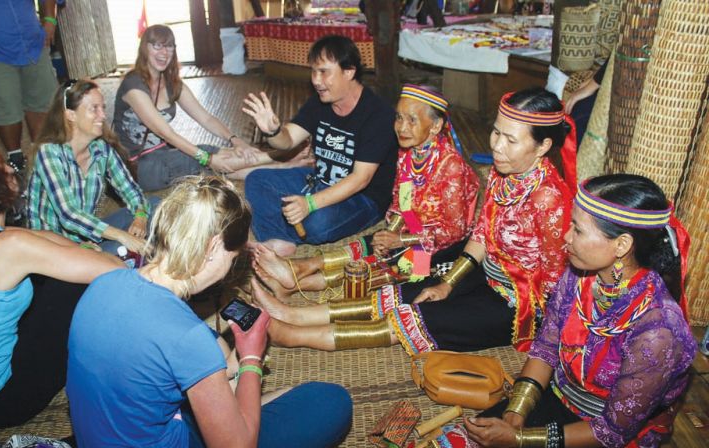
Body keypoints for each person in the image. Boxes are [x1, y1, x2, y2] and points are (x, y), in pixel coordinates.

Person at [243, 173, 696, 448]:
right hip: (557, 399)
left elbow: (613, 430)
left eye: (578, 230)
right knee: (455, 447)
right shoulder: (580, 280)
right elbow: (544, 348)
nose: (567, 238)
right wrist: (516, 416)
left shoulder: (659, 331)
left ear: (621, 246)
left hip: (606, 445)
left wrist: (519, 440)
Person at [66, 175, 352, 448]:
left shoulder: (105, 282)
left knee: (271, 393)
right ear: (214, 247)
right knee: (328, 403)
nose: (233, 266)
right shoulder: (187, 337)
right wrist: (250, 358)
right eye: (234, 256)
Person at [252, 87, 576, 354]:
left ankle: (297, 326)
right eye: (495, 133)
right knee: (398, 273)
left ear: (543, 145)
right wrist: (440, 276)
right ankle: (297, 291)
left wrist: (403, 243)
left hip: (509, 294)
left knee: (412, 292)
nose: (496, 147)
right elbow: (469, 230)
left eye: (511, 140)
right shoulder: (474, 168)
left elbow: (553, 283)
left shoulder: (546, 198)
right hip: (473, 264)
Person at [0, 139, 123, 428]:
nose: (10, 167)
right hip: (0, 401)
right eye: (2, 165)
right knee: (75, 286)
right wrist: (93, 257)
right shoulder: (9, 246)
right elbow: (111, 268)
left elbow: (39, 237)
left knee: (52, 272)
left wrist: (78, 250)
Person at [252, 84, 479, 296]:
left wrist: (401, 240)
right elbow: (405, 205)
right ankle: (301, 268)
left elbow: (454, 232)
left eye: (412, 120)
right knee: (370, 245)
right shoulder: (408, 154)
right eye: (399, 117)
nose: (402, 127)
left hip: (443, 244)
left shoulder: (451, 167)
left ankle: (296, 285)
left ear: (436, 126)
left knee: (400, 270)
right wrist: (393, 231)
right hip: (414, 229)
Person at [243, 34, 399, 249]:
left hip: (363, 198)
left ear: (349, 71)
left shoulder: (378, 114)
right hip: (319, 180)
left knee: (317, 223)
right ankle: (278, 240)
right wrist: (273, 131)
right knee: (257, 180)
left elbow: (361, 179)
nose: (316, 80)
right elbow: (287, 141)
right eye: (314, 71)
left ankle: (287, 225)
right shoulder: (319, 103)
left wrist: (309, 204)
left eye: (324, 72)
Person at [114, 24, 270, 191]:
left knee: (225, 158)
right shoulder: (133, 86)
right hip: (138, 167)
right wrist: (208, 159)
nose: (164, 52)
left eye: (169, 46)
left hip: (165, 154)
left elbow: (207, 119)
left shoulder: (172, 84)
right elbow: (165, 133)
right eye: (157, 45)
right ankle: (278, 155)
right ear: (144, 48)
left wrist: (236, 141)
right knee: (206, 158)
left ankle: (290, 165)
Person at [27, 79, 152, 255]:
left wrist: (140, 217)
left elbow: (132, 191)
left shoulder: (100, 149)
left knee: (155, 207)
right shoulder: (49, 153)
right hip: (54, 247)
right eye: (94, 108)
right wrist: (121, 236)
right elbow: (69, 215)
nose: (102, 115)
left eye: (103, 107)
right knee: (120, 248)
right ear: (70, 115)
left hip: (87, 237)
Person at [0, 0, 62, 173]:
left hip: (33, 43)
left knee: (43, 101)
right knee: (5, 104)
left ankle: (44, 156)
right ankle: (16, 159)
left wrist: (50, 20)